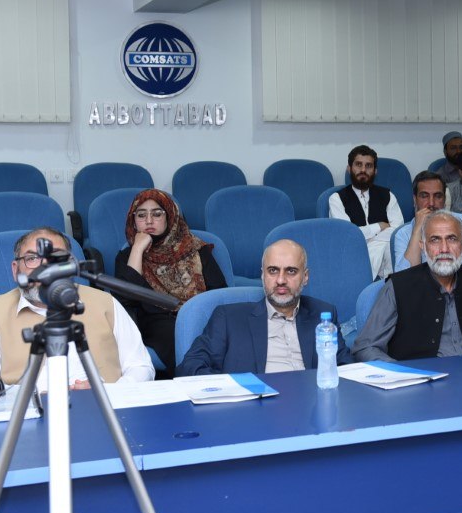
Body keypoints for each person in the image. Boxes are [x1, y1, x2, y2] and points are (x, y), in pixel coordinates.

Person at [0, 227, 154, 392]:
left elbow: (141, 367)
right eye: (32, 258)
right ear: (15, 269)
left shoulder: (105, 303)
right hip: (30, 417)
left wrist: (110, 392)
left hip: (106, 408)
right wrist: (37, 399)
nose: (46, 268)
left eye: (56, 258)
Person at [353, 211, 462, 362]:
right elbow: (366, 347)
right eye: (435, 240)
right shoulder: (398, 287)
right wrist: (401, 374)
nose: (444, 249)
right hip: (419, 382)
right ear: (423, 246)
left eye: (452, 239)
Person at [177, 239, 351, 375]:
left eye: (291, 271)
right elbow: (190, 367)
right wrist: (235, 391)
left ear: (305, 277)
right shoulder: (229, 318)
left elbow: (347, 369)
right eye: (273, 270)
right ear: (262, 275)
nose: (281, 280)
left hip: (313, 404)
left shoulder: (322, 314)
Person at [113, 189, 227, 374]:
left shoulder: (195, 249)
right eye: (141, 215)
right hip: (157, 323)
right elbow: (126, 300)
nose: (149, 221)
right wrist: (137, 249)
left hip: (200, 315)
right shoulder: (127, 256)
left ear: (170, 216)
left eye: (157, 214)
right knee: (176, 334)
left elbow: (219, 292)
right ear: (133, 220)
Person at [391, 170, 462, 285]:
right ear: (415, 199)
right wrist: (417, 231)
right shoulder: (403, 234)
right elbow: (404, 281)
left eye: (438, 196)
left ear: (445, 200)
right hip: (428, 294)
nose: (431, 203)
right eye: (424, 196)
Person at [328, 145, 404, 279]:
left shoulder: (387, 195)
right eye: (358, 164)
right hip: (352, 255)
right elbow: (348, 236)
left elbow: (397, 232)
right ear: (349, 168)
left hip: (385, 253)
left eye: (368, 166)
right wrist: (379, 226)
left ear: (375, 171)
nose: (363, 170)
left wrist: (369, 239)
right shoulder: (336, 199)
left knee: (390, 247)